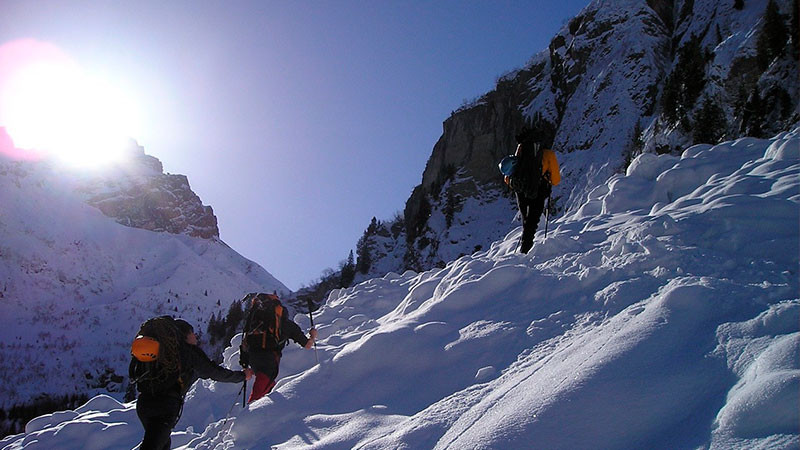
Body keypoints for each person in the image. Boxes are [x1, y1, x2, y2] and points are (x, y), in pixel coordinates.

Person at [130, 318, 254, 450]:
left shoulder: (162, 352)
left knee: (162, 443)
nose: (195, 336)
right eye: (192, 333)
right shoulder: (189, 353)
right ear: (185, 335)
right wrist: (242, 376)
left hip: (144, 404)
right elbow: (214, 372)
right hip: (165, 406)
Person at [240, 293, 317, 403]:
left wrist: (244, 363)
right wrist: (313, 336)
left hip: (252, 358)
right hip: (269, 360)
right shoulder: (287, 325)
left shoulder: (256, 322)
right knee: (258, 394)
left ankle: (267, 411)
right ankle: (247, 416)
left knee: (269, 386)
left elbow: (245, 343)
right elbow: (307, 345)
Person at [505, 129, 561, 254]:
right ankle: (525, 251)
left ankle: (524, 247)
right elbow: (556, 180)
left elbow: (509, 174)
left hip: (520, 189)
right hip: (538, 188)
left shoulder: (521, 149)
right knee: (533, 220)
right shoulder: (547, 154)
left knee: (526, 219)